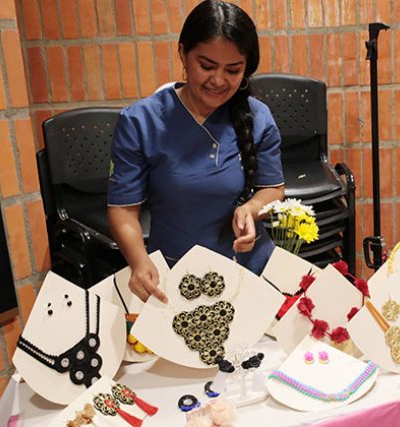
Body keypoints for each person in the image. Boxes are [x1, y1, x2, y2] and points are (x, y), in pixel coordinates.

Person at [107, 0, 285, 303]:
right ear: (183, 54)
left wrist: (250, 209)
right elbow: (123, 209)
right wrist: (139, 261)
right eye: (206, 66)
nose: (218, 80)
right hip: (177, 276)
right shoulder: (141, 122)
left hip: (249, 271)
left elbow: (273, 188)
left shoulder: (257, 117)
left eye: (233, 70)